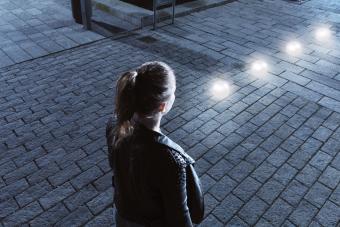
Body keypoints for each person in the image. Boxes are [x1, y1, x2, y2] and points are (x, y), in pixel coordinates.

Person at [106, 61, 204, 227]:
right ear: (163, 106)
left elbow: (114, 165)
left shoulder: (115, 124)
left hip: (122, 216)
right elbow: (180, 218)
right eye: (173, 92)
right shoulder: (170, 157)